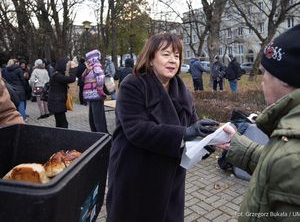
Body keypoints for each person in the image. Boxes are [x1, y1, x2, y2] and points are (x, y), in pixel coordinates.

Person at [106, 33, 218, 222]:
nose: (173, 60)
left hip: (170, 178)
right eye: (166, 54)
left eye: (176, 55)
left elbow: (192, 127)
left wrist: (207, 141)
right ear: (150, 59)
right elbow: (136, 129)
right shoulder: (132, 85)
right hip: (135, 174)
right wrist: (185, 133)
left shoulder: (182, 90)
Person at [217, 25, 300, 220]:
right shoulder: (290, 145)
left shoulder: (293, 155)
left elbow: (287, 164)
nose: (262, 82)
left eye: (266, 73)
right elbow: (279, 168)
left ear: (285, 78)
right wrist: (238, 146)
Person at [81, 50, 108, 133]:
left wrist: (100, 90)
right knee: (92, 118)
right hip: (91, 95)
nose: (87, 60)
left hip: (96, 95)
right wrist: (87, 70)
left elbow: (101, 78)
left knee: (98, 119)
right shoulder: (90, 67)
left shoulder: (96, 66)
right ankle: (95, 134)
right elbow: (82, 78)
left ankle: (103, 136)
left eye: (88, 59)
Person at [47, 57, 77, 128]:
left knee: (59, 123)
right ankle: (64, 137)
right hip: (57, 103)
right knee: (63, 124)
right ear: (62, 65)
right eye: (67, 65)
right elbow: (72, 79)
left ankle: (58, 137)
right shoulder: (57, 76)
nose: (68, 67)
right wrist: (73, 68)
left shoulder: (57, 74)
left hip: (56, 103)